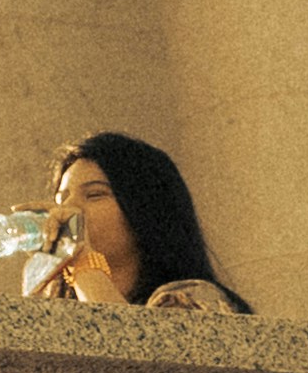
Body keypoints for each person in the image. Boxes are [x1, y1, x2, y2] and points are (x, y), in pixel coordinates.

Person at [27, 132, 249, 317]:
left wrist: (83, 261)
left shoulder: (190, 300)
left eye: (95, 195)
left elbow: (128, 352)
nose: (68, 209)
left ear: (145, 211)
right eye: (61, 199)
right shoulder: (66, 311)